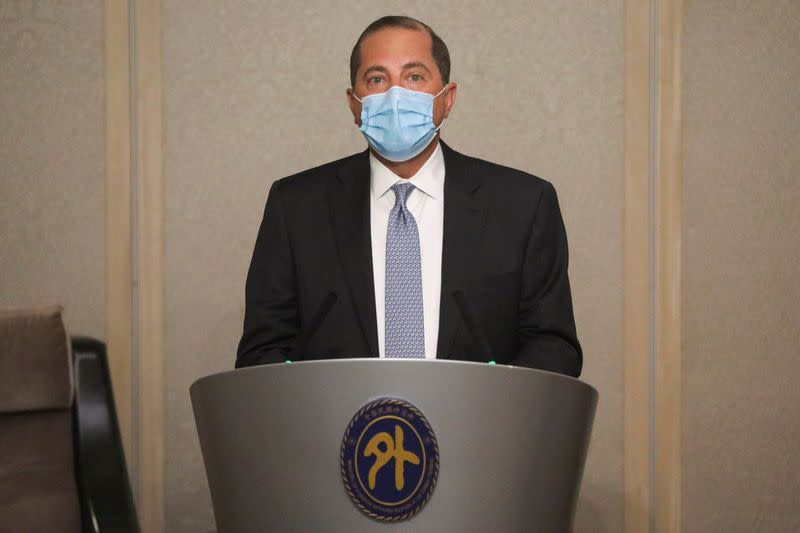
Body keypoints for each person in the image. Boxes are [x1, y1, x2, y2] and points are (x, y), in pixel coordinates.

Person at [236, 15, 582, 377]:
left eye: (414, 77)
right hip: (335, 431)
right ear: (354, 104)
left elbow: (554, 349)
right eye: (377, 79)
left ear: (447, 99)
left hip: (479, 429)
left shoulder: (523, 205)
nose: (395, 95)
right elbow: (262, 353)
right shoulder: (295, 207)